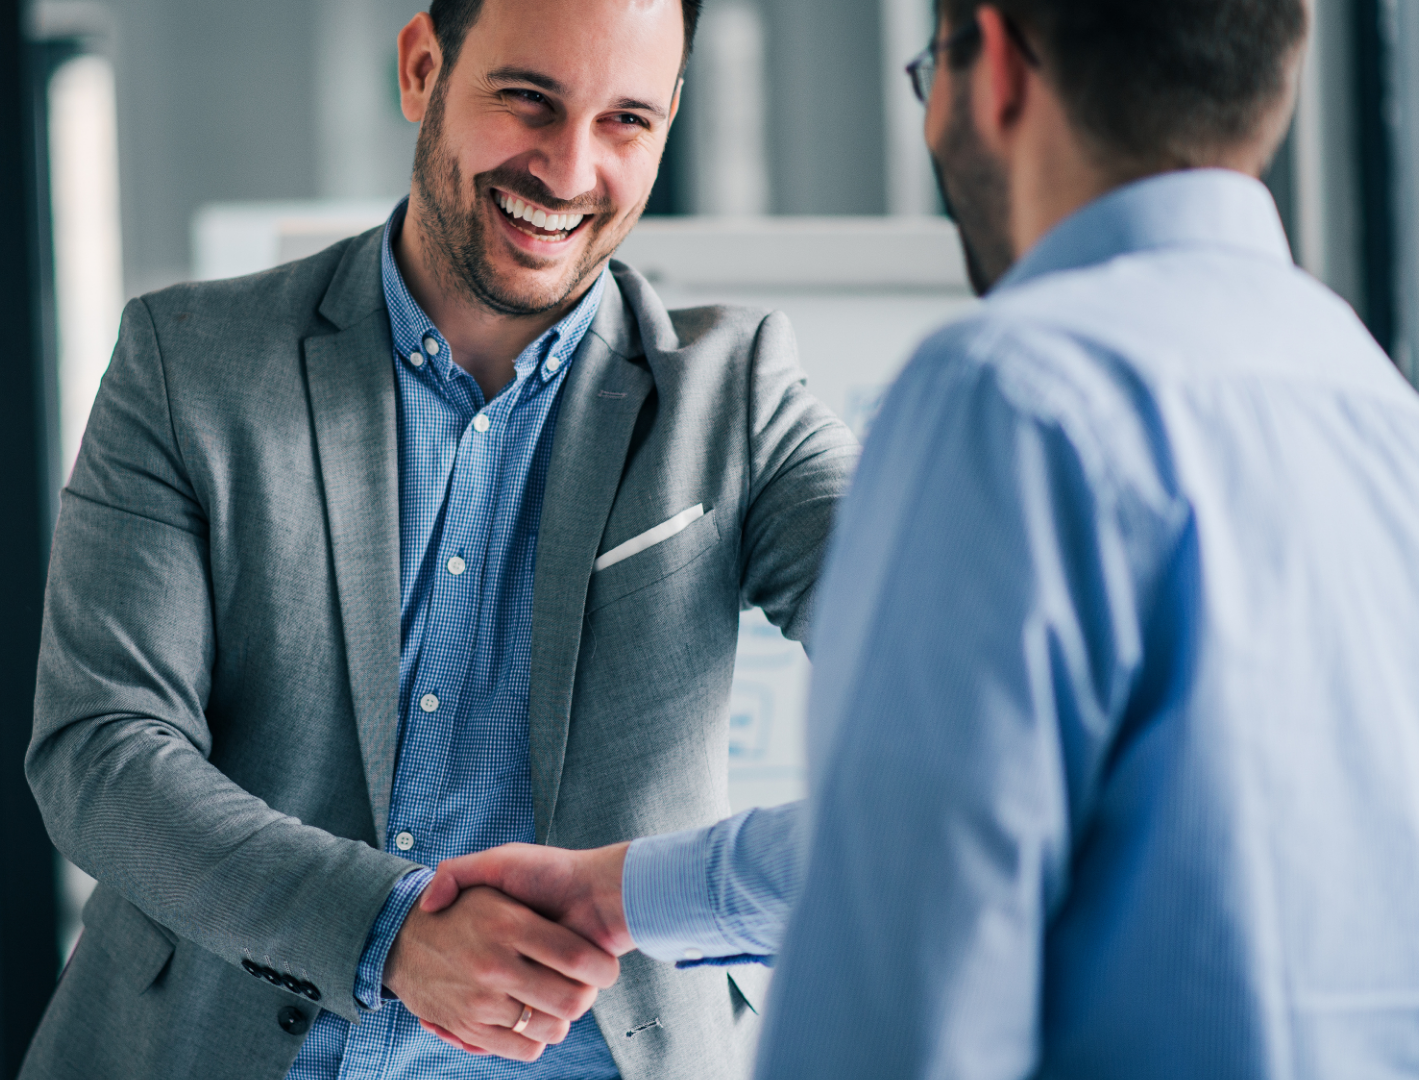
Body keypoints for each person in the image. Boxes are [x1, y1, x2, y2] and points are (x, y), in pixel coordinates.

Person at [423, 0, 1419, 1076]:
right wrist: (624, 891)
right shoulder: (1374, 406)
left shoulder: (1014, 394)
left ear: (990, 64)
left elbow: (903, 960)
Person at [18, 0, 860, 1076]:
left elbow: (939, 664)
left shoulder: (733, 399)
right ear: (423, 68)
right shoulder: (189, 366)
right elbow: (100, 752)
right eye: (528, 101)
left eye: (627, 123)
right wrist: (391, 931)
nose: (568, 169)